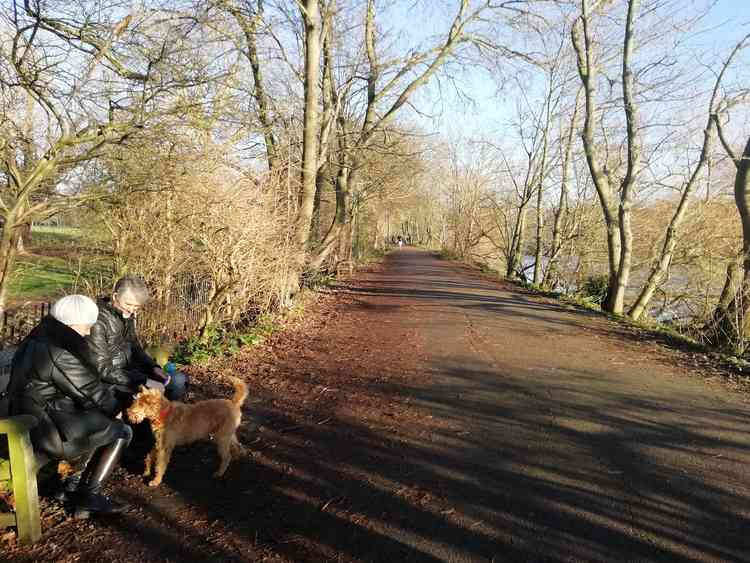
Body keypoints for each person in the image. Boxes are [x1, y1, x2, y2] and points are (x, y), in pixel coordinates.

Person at [7, 295, 132, 518]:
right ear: (73, 323)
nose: (87, 332)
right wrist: (120, 409)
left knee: (97, 420)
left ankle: (70, 487)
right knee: (121, 430)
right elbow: (91, 390)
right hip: (44, 428)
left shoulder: (39, 338)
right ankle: (88, 497)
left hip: (29, 414)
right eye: (87, 327)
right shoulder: (58, 351)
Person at [86, 276, 187, 410]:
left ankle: (164, 418)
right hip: (112, 381)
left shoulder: (127, 316)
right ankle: (152, 421)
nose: (132, 310)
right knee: (159, 390)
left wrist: (153, 367)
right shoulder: (98, 322)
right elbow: (103, 369)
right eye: (128, 304)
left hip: (133, 372)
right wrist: (144, 380)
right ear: (115, 297)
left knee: (178, 380)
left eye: (136, 307)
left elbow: (135, 347)